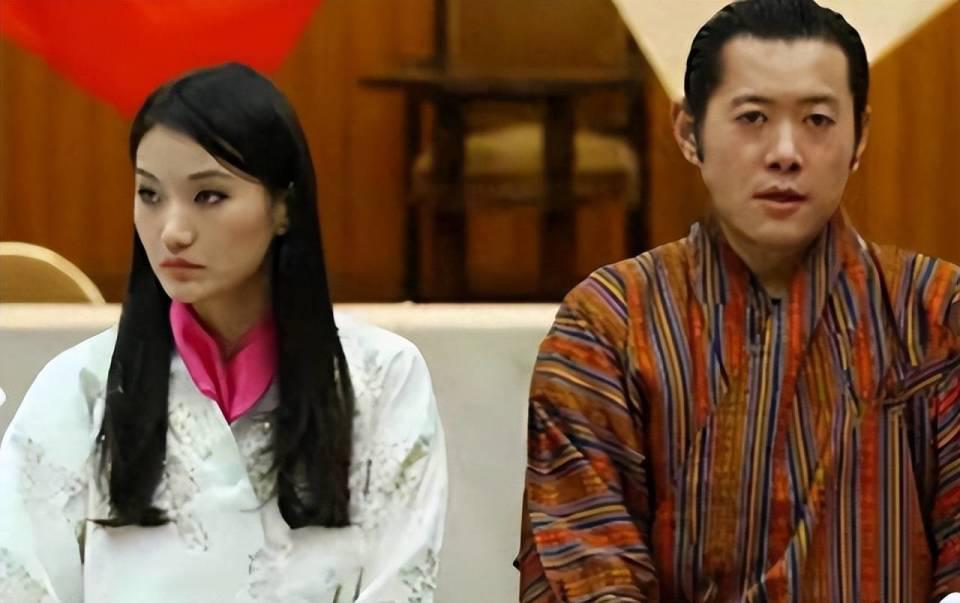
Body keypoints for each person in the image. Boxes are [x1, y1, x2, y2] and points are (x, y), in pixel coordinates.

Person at [516, 0, 960, 600]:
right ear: (689, 132)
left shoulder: (936, 311)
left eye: (818, 120)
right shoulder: (609, 321)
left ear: (860, 136)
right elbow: (586, 559)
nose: (785, 152)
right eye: (753, 117)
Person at [0, 63, 447, 602]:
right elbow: (22, 582)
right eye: (150, 194)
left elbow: (400, 584)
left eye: (209, 196)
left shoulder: (380, 378)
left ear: (283, 207)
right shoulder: (81, 387)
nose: (172, 231)